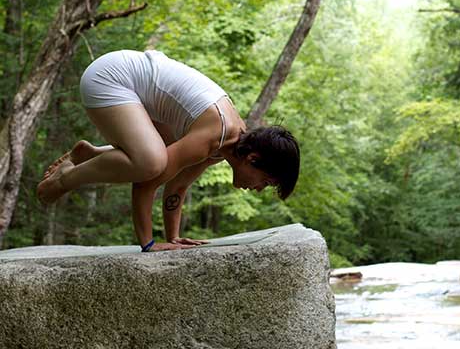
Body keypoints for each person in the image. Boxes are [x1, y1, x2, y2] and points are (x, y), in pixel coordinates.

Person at [37, 50, 300, 252]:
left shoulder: (225, 145)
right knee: (151, 162)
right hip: (109, 77)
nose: (258, 189)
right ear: (253, 159)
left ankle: (91, 154)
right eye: (265, 182)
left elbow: (177, 185)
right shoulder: (216, 134)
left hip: (133, 86)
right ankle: (64, 178)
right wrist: (148, 244)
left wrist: (173, 237)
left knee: (158, 157)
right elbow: (147, 183)